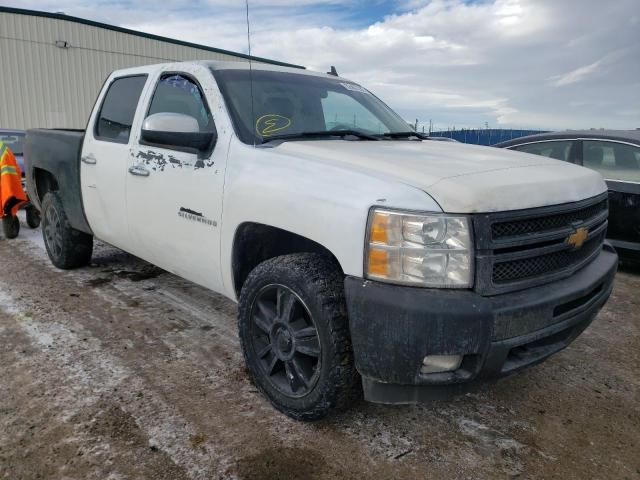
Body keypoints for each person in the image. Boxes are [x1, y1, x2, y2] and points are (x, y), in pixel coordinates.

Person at [0, 141, 28, 238]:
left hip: (8, 181)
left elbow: (8, 179)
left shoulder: (3, 152)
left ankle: (10, 218)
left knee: (7, 202)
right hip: (7, 180)